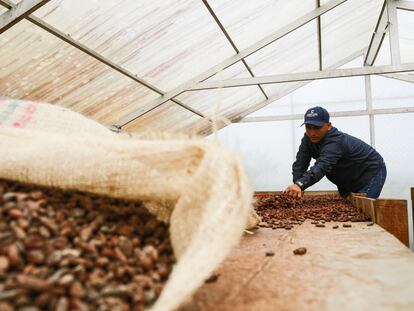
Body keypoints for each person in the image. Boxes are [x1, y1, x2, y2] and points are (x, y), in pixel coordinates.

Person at [284, 106, 386, 199]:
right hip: (346, 178)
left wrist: (300, 184)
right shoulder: (307, 138)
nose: (312, 133)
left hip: (370, 172)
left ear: (328, 125)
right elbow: (300, 162)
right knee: (349, 206)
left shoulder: (335, 142)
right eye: (308, 127)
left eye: (317, 128)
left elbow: (322, 166)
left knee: (363, 209)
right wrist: (297, 184)